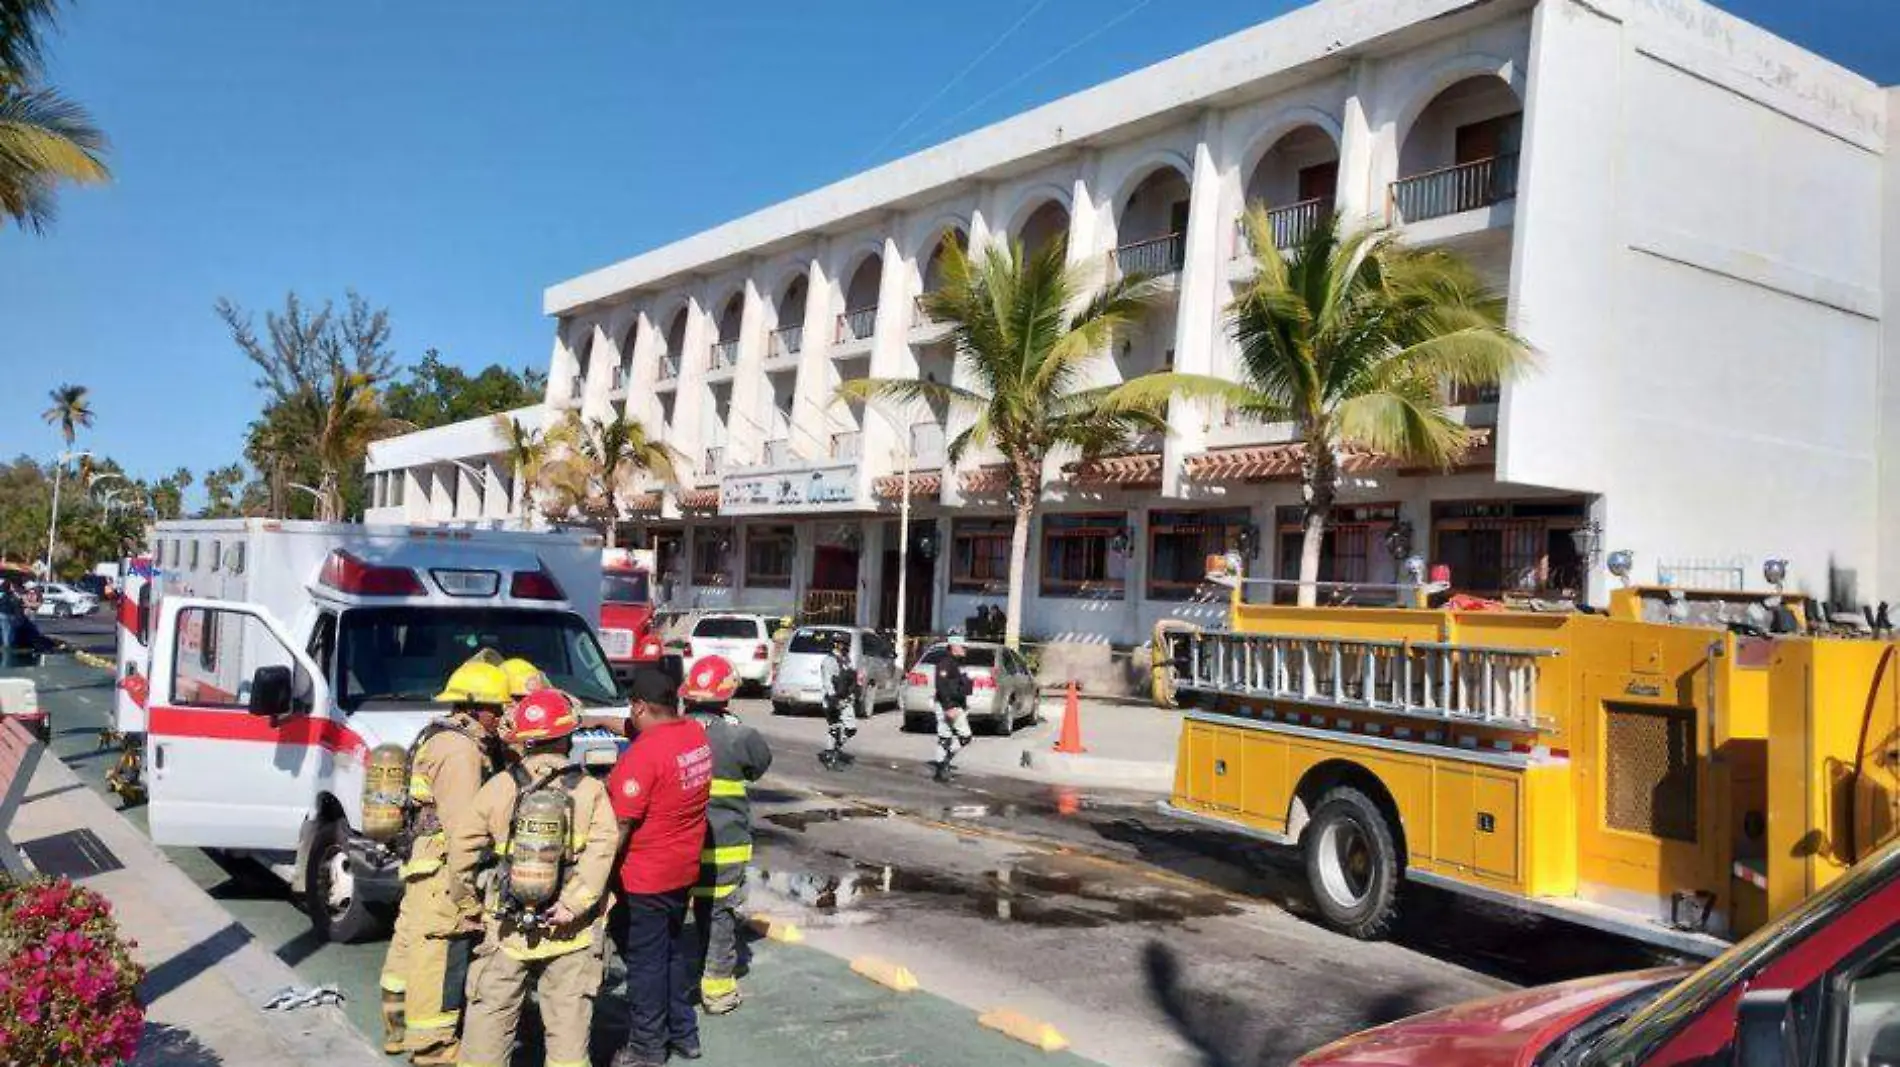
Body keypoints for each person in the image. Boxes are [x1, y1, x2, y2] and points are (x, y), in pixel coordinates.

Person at [447, 688, 620, 1067]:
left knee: (488, 1031)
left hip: (506, 927)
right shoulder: (591, 790)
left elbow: (462, 851)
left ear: (524, 740)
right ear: (567, 737)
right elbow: (603, 852)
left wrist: (468, 904)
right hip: (570, 932)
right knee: (568, 1040)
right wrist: (572, 905)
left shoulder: (500, 786)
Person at [379, 654, 509, 1065]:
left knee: (408, 949)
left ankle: (397, 1033)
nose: (501, 718)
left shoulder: (438, 735)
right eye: (497, 709)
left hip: (422, 864)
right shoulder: (461, 752)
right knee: (438, 958)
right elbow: (462, 831)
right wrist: (468, 896)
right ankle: (432, 1050)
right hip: (441, 871)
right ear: (474, 706)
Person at [608, 667, 714, 1067]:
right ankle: (685, 1035)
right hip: (682, 869)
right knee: (669, 952)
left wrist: (597, 881)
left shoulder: (643, 756)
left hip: (645, 878)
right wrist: (590, 718)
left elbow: (620, 826)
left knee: (645, 964)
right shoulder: (694, 736)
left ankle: (647, 1048)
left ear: (639, 706)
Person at [680, 656, 773, 1014]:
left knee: (675, 918)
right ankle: (717, 992)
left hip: (678, 846)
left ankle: (679, 983)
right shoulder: (739, 736)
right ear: (727, 695)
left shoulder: (670, 731)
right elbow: (759, 764)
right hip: (723, 849)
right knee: (719, 915)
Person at [929, 637, 975, 783]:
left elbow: (958, 685)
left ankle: (942, 766)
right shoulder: (946, 663)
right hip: (947, 705)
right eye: (962, 646)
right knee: (963, 736)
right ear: (953, 647)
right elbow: (941, 686)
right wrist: (948, 707)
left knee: (946, 737)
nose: (965, 649)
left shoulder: (956, 663)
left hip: (955, 704)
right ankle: (942, 765)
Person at [817, 637, 858, 771]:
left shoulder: (846, 659)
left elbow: (850, 678)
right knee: (835, 728)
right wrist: (833, 698)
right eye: (842, 644)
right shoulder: (829, 661)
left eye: (846, 644)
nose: (845, 646)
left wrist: (852, 693)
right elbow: (827, 681)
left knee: (850, 729)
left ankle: (834, 749)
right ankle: (830, 754)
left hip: (846, 699)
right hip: (833, 699)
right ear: (836, 644)